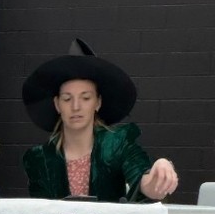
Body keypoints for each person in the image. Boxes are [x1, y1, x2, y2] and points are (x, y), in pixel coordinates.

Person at [21, 38, 179, 202]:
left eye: (86, 98)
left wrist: (160, 172)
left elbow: (142, 181)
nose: (76, 107)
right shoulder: (39, 158)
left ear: (98, 102)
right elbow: (41, 210)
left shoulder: (117, 144)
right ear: (57, 104)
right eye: (67, 99)